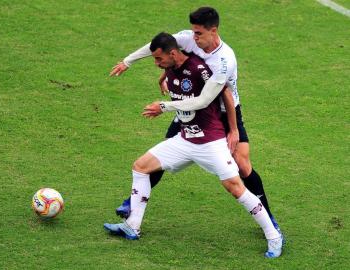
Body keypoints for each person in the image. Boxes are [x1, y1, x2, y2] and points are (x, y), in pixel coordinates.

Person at [104, 32, 283, 258]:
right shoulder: (170, 65)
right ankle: (132, 226)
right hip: (185, 138)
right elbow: (163, 67)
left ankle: (274, 236)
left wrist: (233, 128)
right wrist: (145, 69)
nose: (156, 64)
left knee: (235, 186)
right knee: (141, 166)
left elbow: (220, 95)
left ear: (172, 53)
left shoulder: (199, 69)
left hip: (210, 141)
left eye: (159, 60)